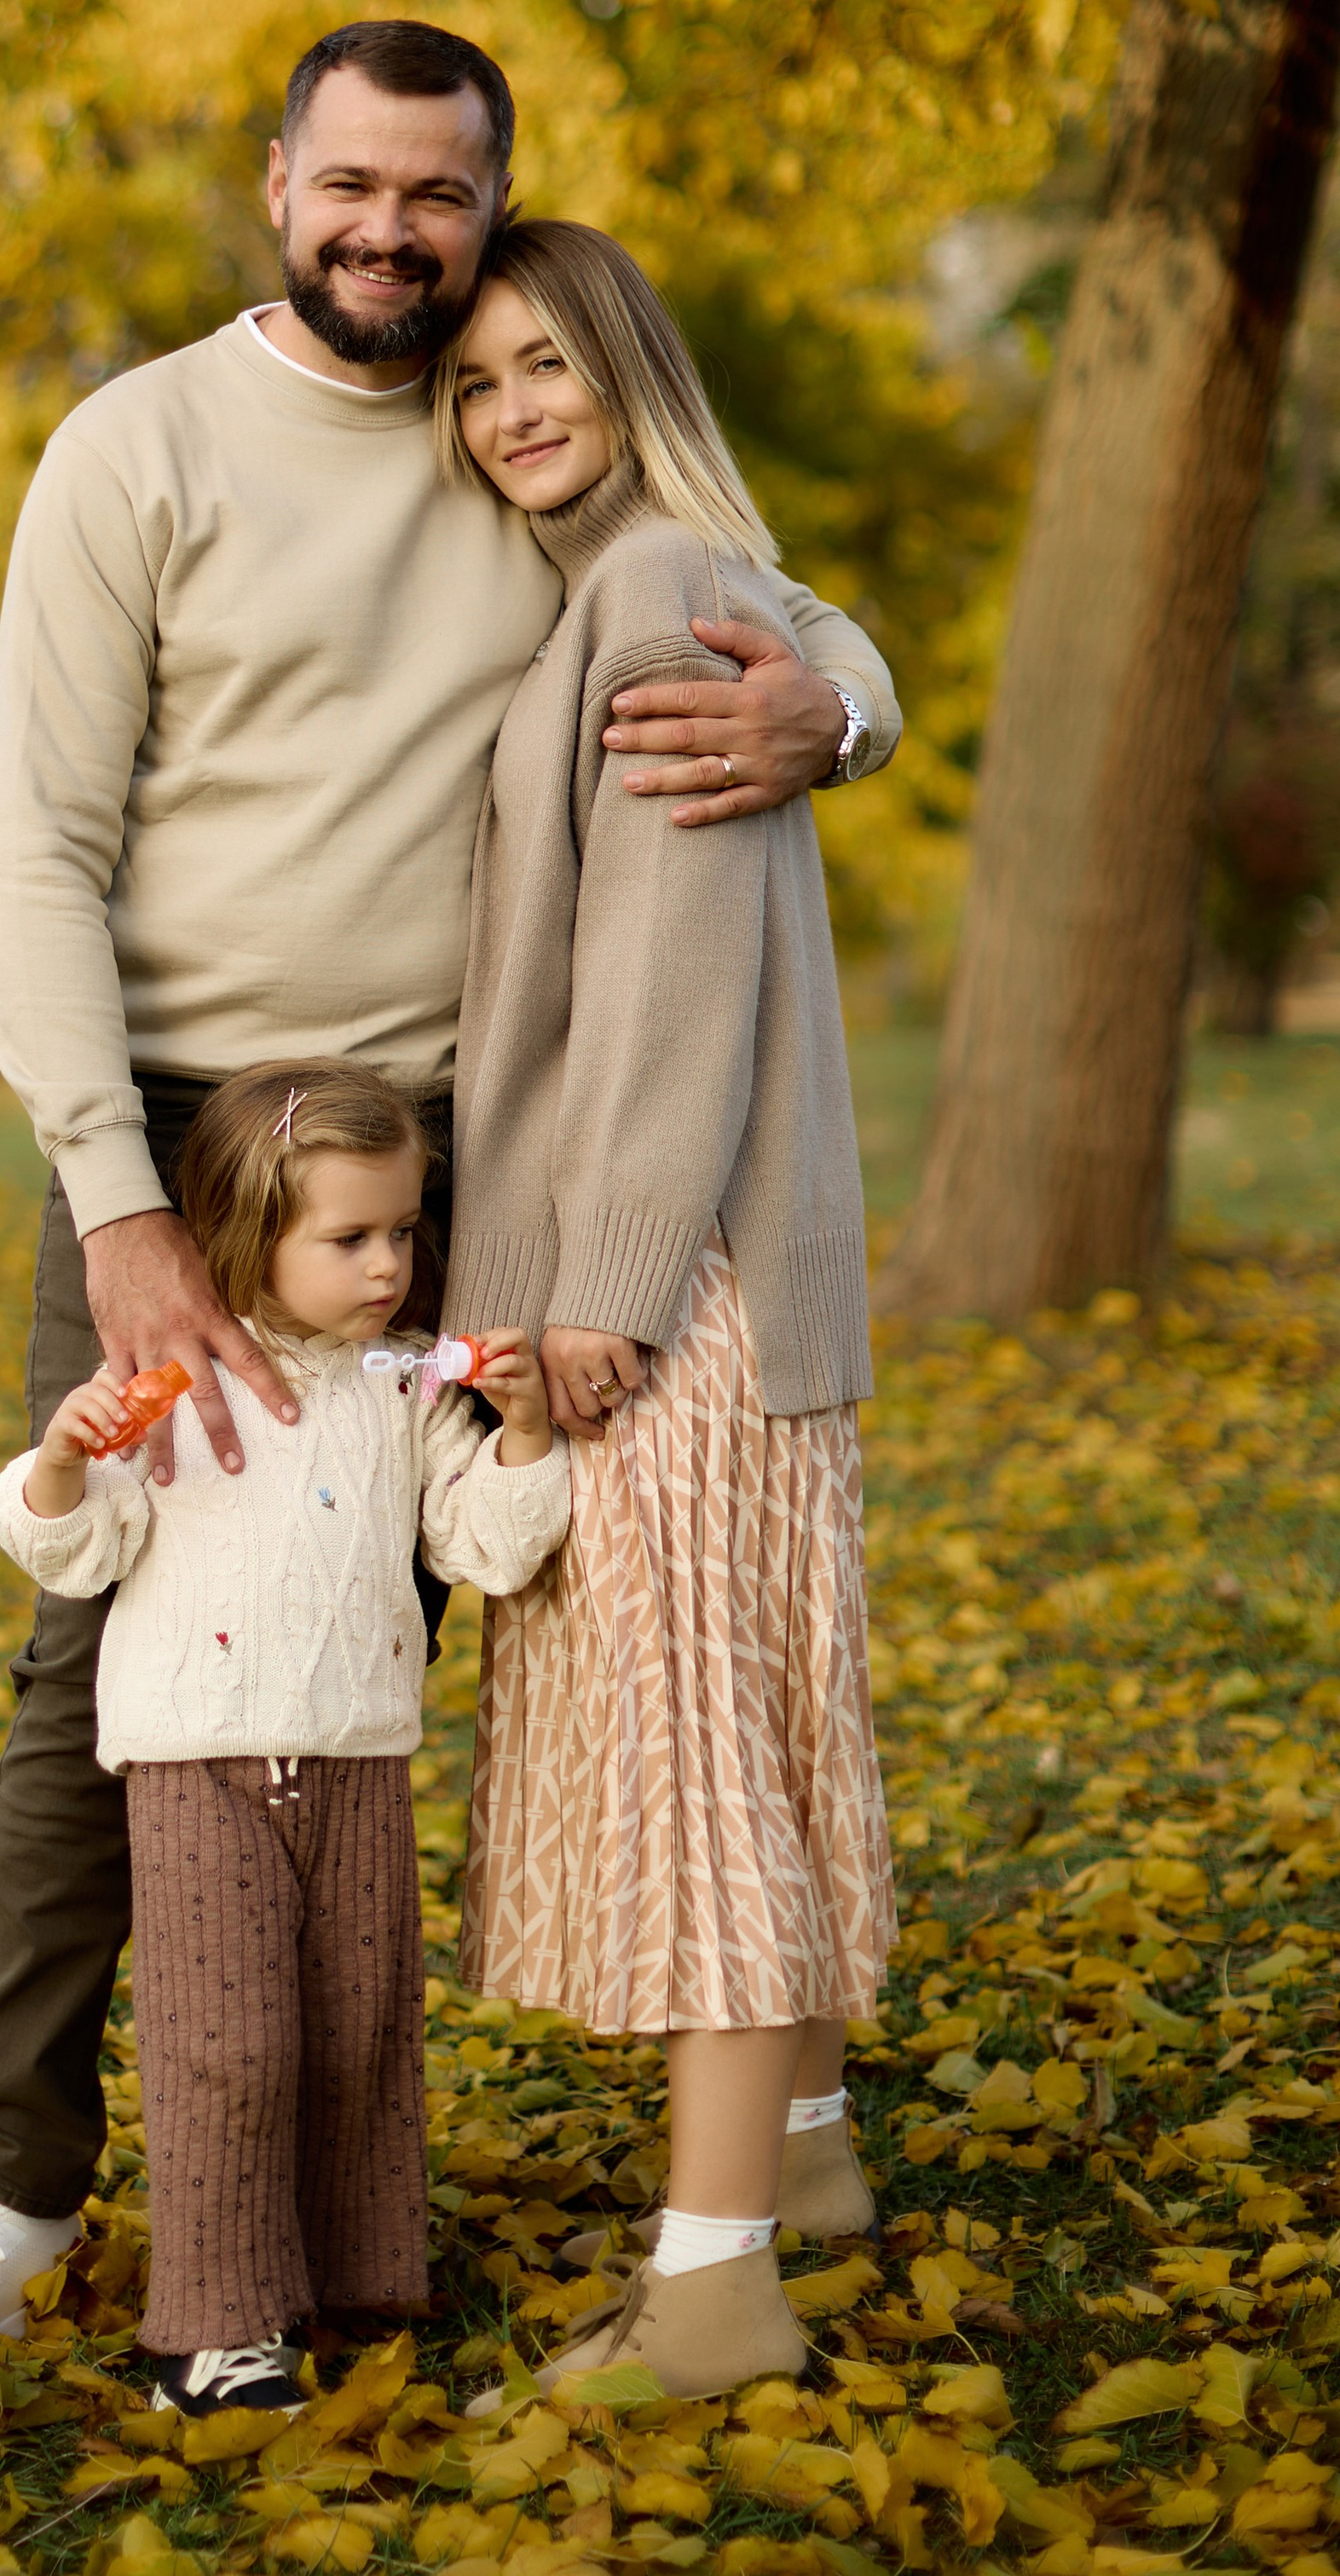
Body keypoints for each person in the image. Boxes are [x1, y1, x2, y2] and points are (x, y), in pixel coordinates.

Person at [0, 19, 900, 2381]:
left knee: (359, 1678)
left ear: (488, 205)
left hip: (441, 1155)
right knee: (105, 1674)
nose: (391, 234)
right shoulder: (138, 449)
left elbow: (748, 594)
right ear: (277, 180)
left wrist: (841, 706)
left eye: (438, 195)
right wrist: (115, 1201)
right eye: (352, 187)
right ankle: (11, 2192)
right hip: (186, 1140)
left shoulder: (502, 443)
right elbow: (36, 850)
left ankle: (334, 2203)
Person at [436, 220, 896, 2404]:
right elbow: (822, 646)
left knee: (701, 1767)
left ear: (626, 370)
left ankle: (711, 2292)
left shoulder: (642, 592)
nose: (510, 409)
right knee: (757, 1732)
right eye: (474, 382)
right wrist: (854, 697)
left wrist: (597, 1284)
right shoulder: (673, 579)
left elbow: (663, 963)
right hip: (732, 1277)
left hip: (670, 1291)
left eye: (547, 363)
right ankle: (799, 2149)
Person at [0, 1061, 568, 2415]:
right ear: (251, 1234)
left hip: (359, 1758)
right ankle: (216, 2327)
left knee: (358, 2035)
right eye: (349, 1238)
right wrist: (63, 1460)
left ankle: (348, 2274)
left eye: (403, 1231)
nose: (390, 1265)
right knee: (229, 2048)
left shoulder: (409, 1387)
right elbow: (72, 1553)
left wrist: (526, 1435)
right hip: (197, 1762)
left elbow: (480, 1544)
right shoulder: (170, 1387)